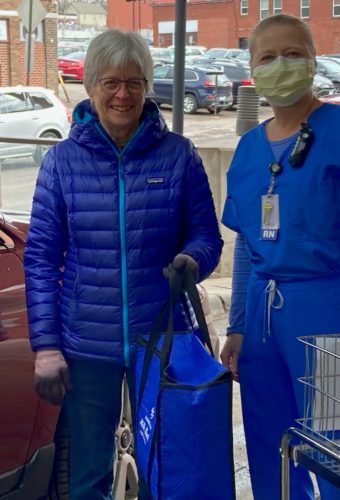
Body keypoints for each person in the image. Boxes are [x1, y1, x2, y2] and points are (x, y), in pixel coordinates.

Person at [24, 29, 223, 499]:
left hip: (162, 338)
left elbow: (207, 235)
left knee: (167, 462)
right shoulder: (61, 163)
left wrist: (192, 259)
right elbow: (40, 260)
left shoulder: (178, 156)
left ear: (147, 87)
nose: (122, 94)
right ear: (90, 87)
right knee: (88, 472)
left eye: (134, 82)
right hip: (87, 344)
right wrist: (46, 347)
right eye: (111, 82)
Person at [221, 14, 340, 500]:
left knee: (331, 445)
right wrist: (237, 325)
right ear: (252, 69)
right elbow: (248, 246)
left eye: (292, 53)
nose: (280, 65)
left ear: (313, 61)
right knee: (269, 446)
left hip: (326, 317)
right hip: (262, 323)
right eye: (267, 57)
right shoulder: (249, 148)